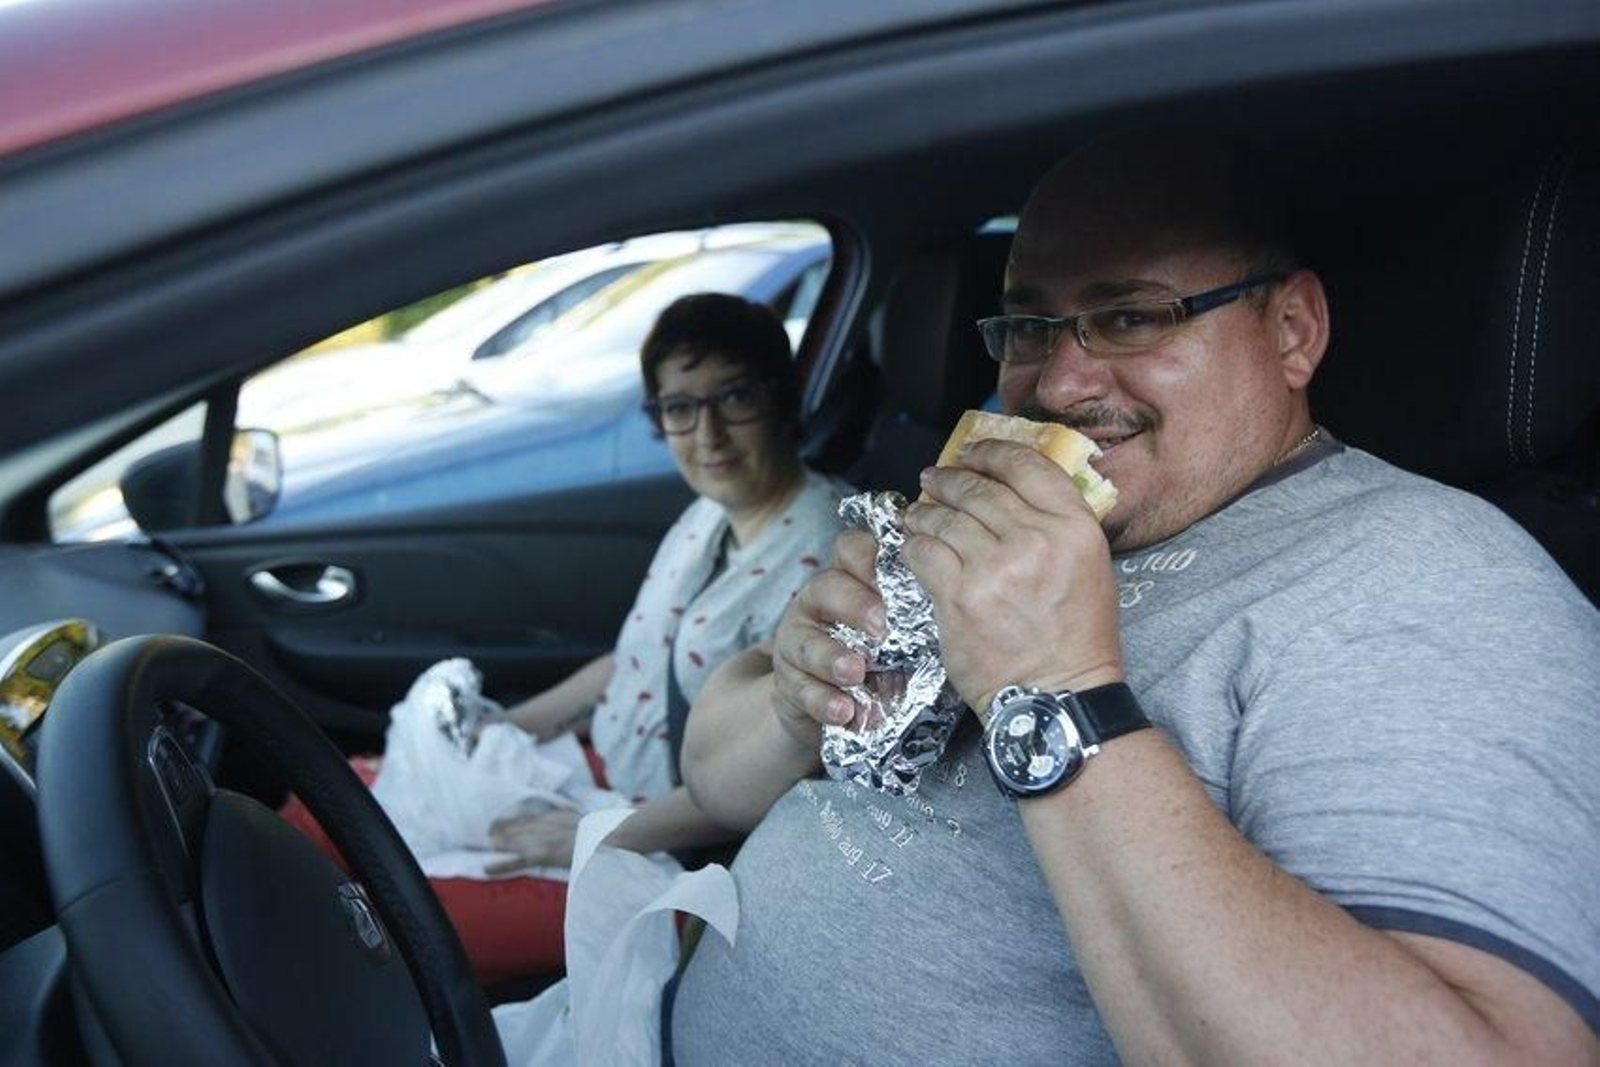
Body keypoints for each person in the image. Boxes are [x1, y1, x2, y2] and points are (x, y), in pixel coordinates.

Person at [667, 142, 1600, 1063]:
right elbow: (714, 778)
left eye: (1131, 318)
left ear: (1292, 332)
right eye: (1029, 326)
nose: (1059, 385)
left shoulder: (1423, 578)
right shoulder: (985, 510)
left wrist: (1057, 690)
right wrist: (796, 701)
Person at [285, 291, 851, 984]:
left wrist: (590, 839)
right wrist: (512, 726)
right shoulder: (711, 516)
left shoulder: (827, 554)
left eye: (734, 398)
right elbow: (639, 658)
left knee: (367, 918)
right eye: (679, 408)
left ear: (782, 397)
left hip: (677, 846)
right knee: (334, 797)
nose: (708, 436)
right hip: (598, 774)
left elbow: (770, 775)